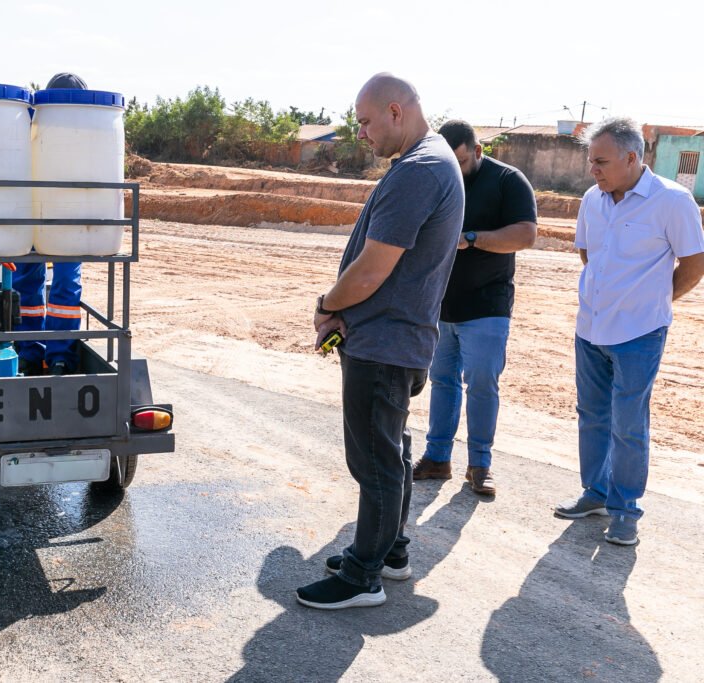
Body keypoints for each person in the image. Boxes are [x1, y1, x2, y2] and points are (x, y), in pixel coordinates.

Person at [295, 73, 464, 610]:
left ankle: (362, 577)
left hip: (385, 344)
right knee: (391, 450)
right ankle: (390, 552)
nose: (362, 134)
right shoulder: (429, 162)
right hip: (397, 339)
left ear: (396, 111)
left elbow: (371, 271)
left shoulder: (419, 171)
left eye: (366, 122)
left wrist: (329, 305)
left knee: (375, 461)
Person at [554, 117, 704, 545]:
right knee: (592, 416)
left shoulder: (672, 202)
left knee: (628, 424)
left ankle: (626, 510)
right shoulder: (591, 199)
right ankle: (595, 493)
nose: (592, 170)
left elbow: (694, 265)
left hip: (640, 334)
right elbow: (588, 252)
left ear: (632, 158)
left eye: (600, 161)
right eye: (590, 161)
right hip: (590, 329)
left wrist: (652, 303)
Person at [410, 120, 538, 496]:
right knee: (442, 382)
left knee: (481, 385)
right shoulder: (438, 177)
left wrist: (470, 238)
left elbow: (526, 234)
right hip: (440, 303)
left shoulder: (508, 181)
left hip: (487, 305)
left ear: (478, 151)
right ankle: (437, 459)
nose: (456, 168)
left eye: (462, 161)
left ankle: (480, 465)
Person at [13, 72, 88, 376]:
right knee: (44, 284)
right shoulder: (34, 121)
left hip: (63, 215)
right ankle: (34, 351)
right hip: (40, 212)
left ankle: (54, 354)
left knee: (54, 285)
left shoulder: (86, 127)